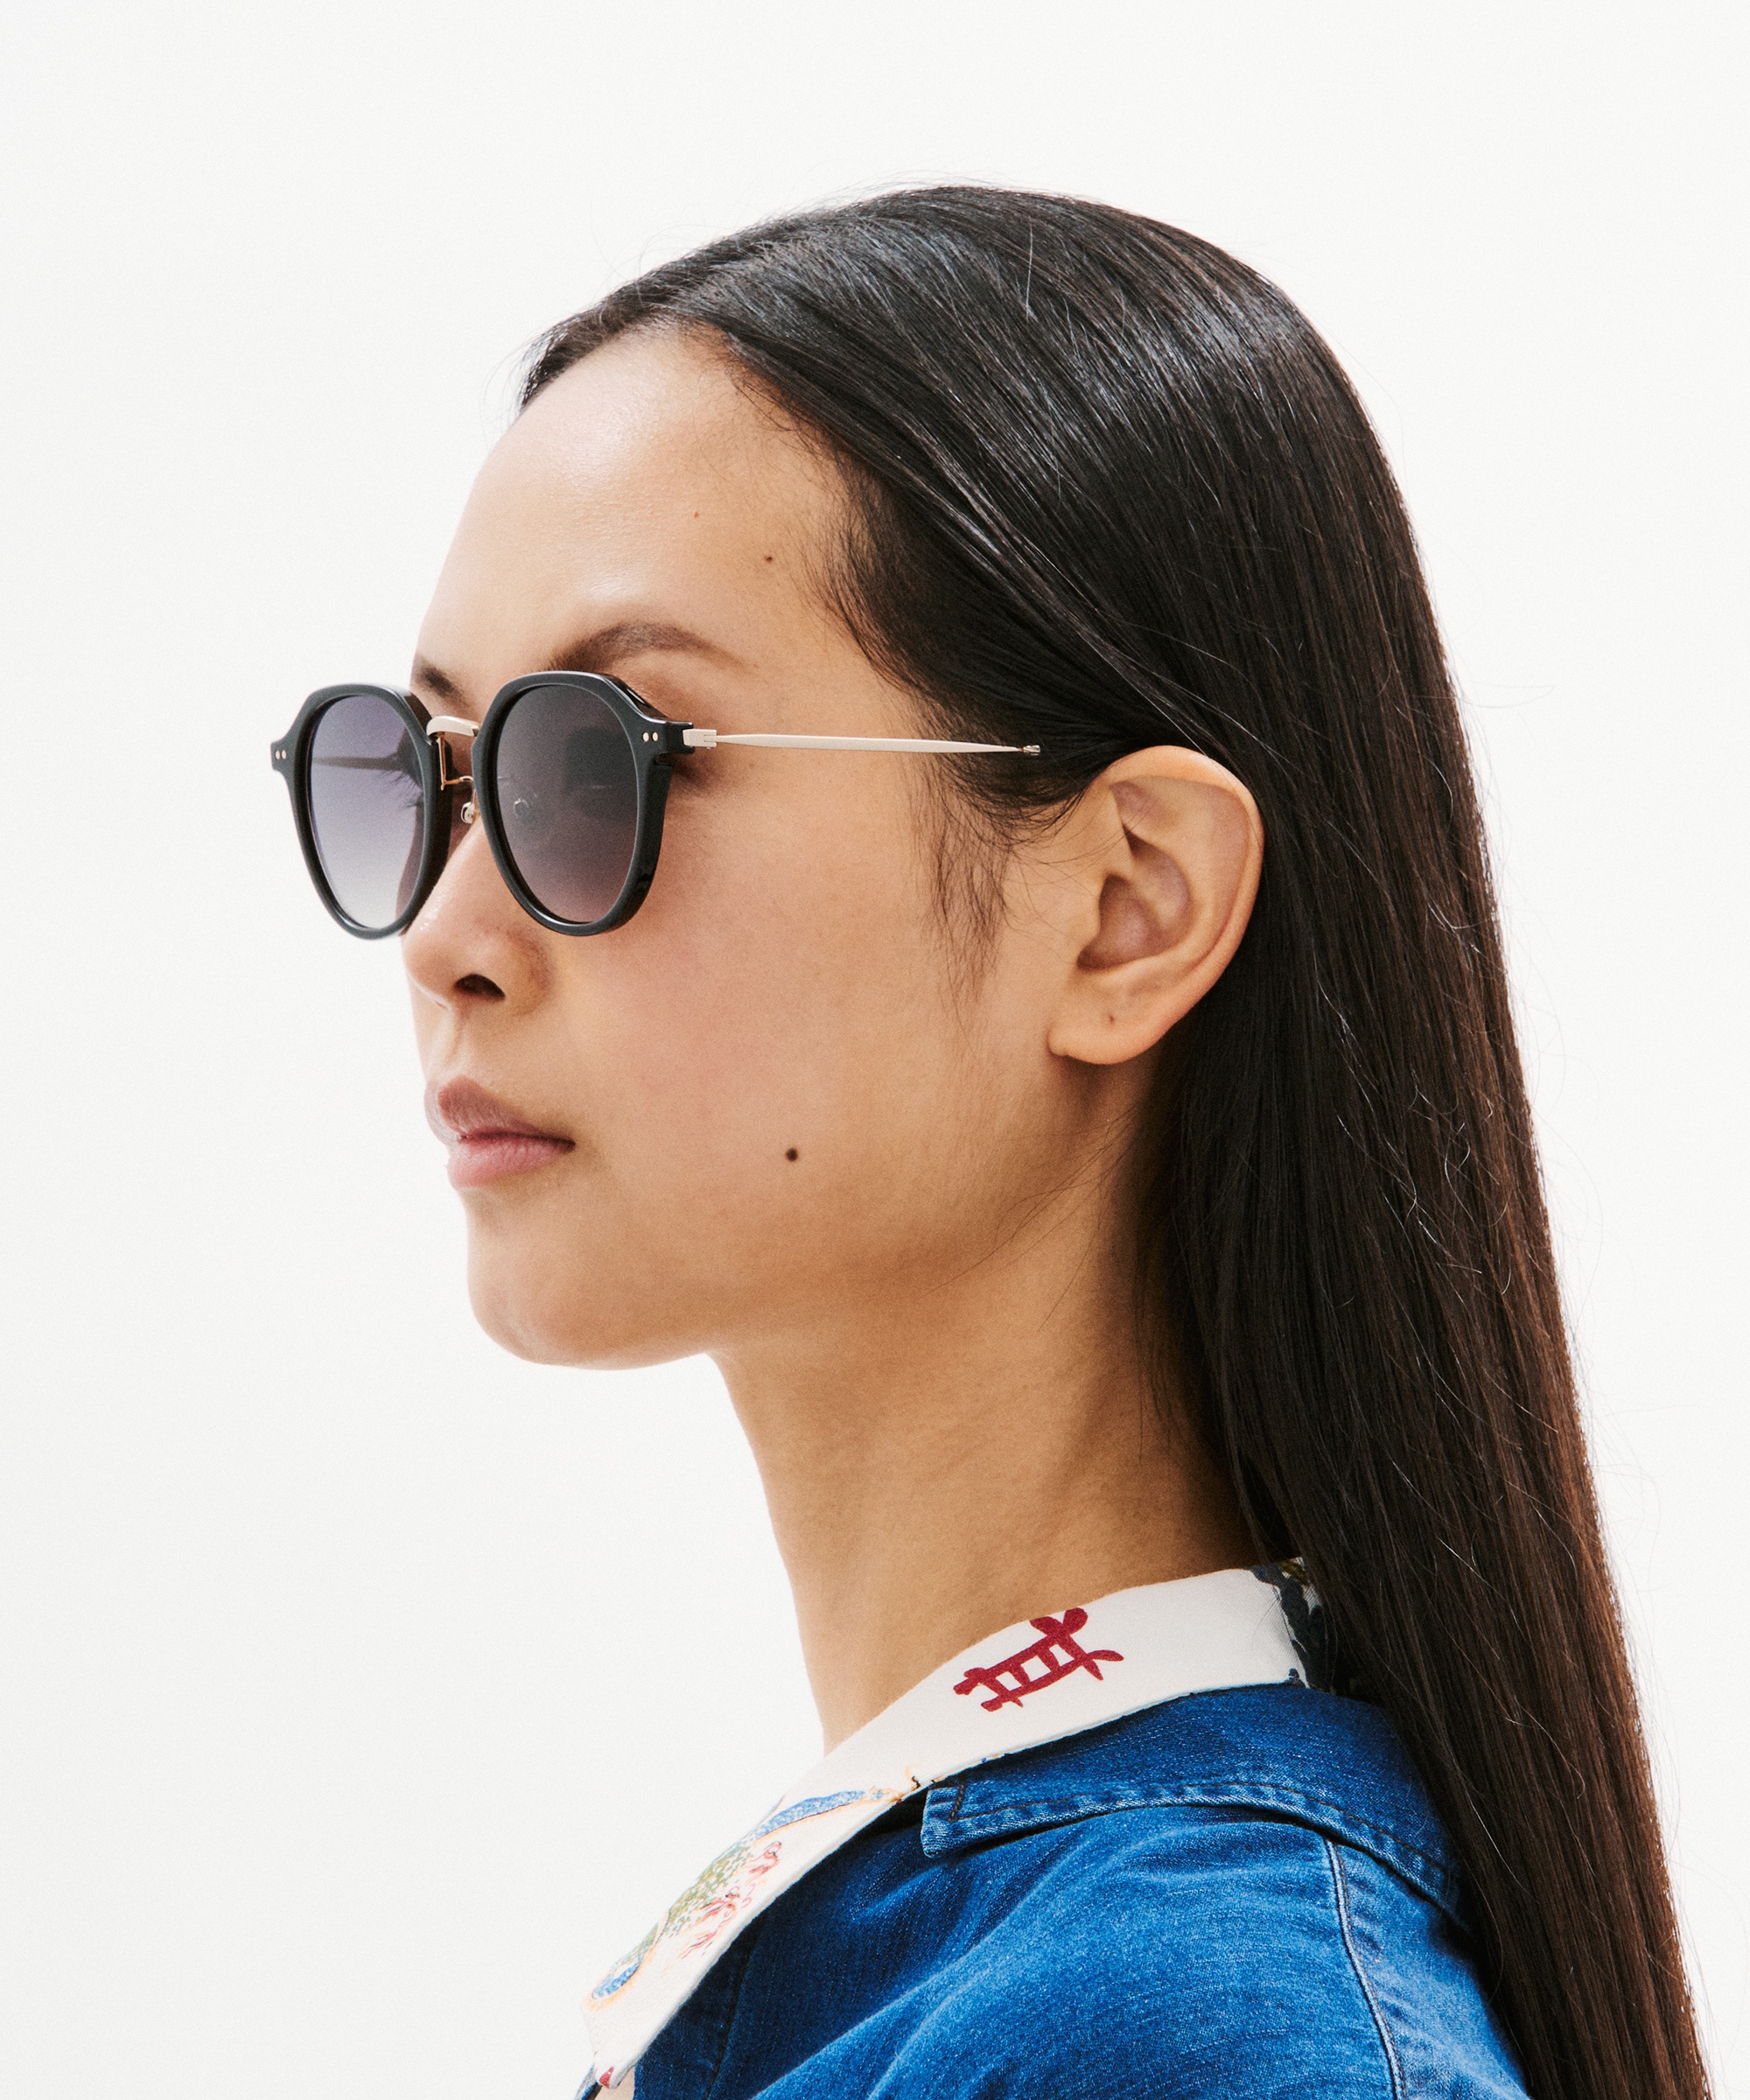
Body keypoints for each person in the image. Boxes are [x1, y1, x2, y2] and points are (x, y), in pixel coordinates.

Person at [270, 188, 1708, 2099]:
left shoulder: (1196, 2034)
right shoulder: (997, 1960)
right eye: (432, 773)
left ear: (1124, 908)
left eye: (598, 761)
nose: (449, 935)